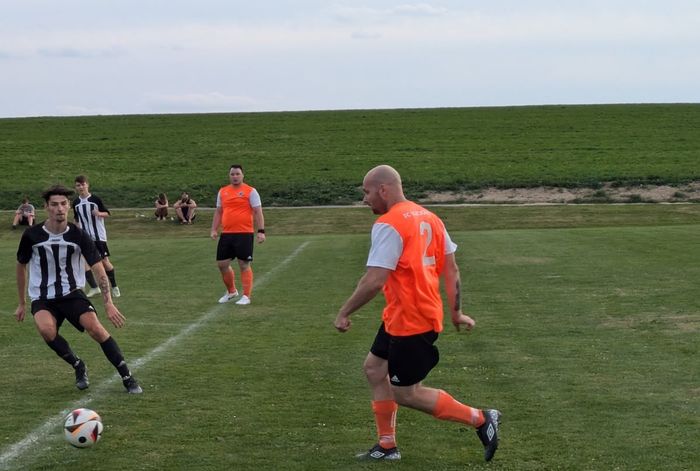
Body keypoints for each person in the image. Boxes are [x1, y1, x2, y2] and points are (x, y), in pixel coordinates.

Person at [334, 165, 501, 463]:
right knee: (374, 369)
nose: (364, 199)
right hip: (404, 315)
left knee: (406, 393)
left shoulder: (389, 223)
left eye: (367, 192)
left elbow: (374, 280)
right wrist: (456, 312)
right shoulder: (430, 217)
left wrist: (344, 311)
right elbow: (451, 269)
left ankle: (481, 418)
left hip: (411, 322)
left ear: (383, 190)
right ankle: (387, 446)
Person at [15, 184, 142, 394]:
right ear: (46, 207)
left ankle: (127, 377)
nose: (59, 208)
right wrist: (21, 303)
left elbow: (98, 268)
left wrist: (108, 303)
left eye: (63, 204)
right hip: (43, 296)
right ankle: (78, 365)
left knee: (96, 329)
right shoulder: (32, 235)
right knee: (46, 330)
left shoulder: (78, 235)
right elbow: (21, 265)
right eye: (54, 204)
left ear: (68, 206)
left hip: (71, 293)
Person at [210, 164, 266, 305]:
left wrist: (261, 231)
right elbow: (219, 211)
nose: (235, 176)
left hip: (244, 233)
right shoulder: (223, 191)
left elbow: (258, 211)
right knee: (222, 264)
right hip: (227, 233)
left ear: (242, 175)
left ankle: (246, 296)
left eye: (237, 174)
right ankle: (232, 291)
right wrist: (214, 229)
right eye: (232, 174)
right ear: (229, 176)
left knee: (243, 264)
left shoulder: (250, 191)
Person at [73, 175, 120, 298]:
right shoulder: (76, 202)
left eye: (83, 184)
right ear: (76, 187)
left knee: (104, 261)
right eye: (78, 185)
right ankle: (94, 288)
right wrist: (76, 230)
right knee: (83, 261)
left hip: (98, 236)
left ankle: (114, 286)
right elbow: (76, 219)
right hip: (84, 237)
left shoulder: (95, 199)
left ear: (87, 185)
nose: (81, 187)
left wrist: (99, 213)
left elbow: (107, 213)